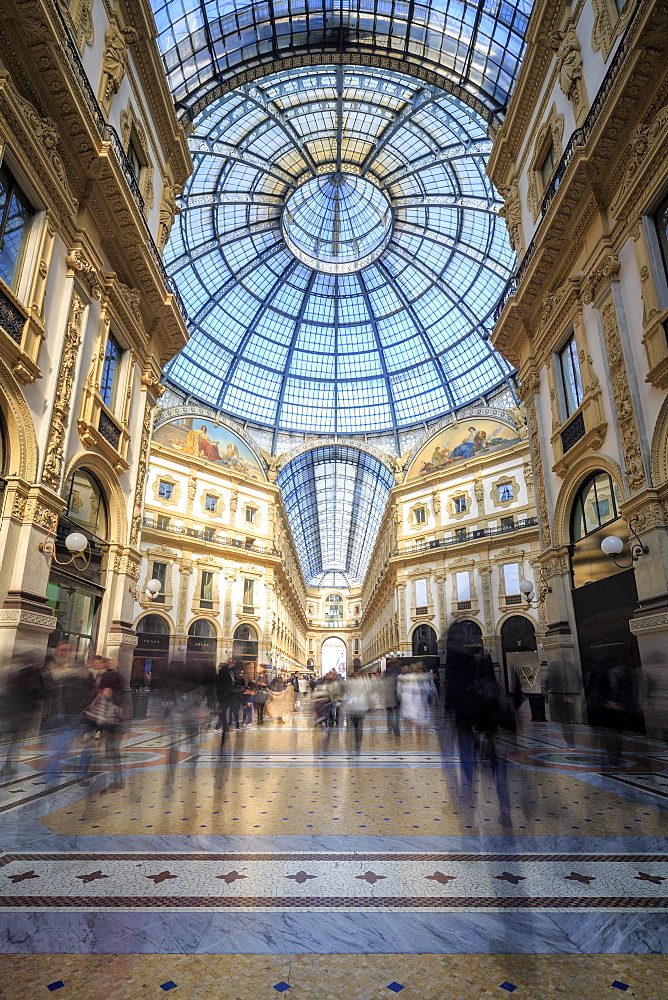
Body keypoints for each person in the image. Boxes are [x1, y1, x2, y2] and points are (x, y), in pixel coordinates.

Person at [44, 642, 92, 786]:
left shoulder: (75, 671)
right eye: (60, 651)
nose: (62, 653)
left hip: (76, 713)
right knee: (64, 744)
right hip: (67, 713)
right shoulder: (63, 670)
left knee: (69, 744)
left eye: (65, 651)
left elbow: (86, 690)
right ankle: (56, 773)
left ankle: (55, 774)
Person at [1, 650, 43, 775]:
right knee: (14, 741)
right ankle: (8, 764)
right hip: (20, 710)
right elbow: (38, 692)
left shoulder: (11, 671)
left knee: (10, 740)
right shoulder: (32, 674)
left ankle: (8, 764)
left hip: (12, 710)